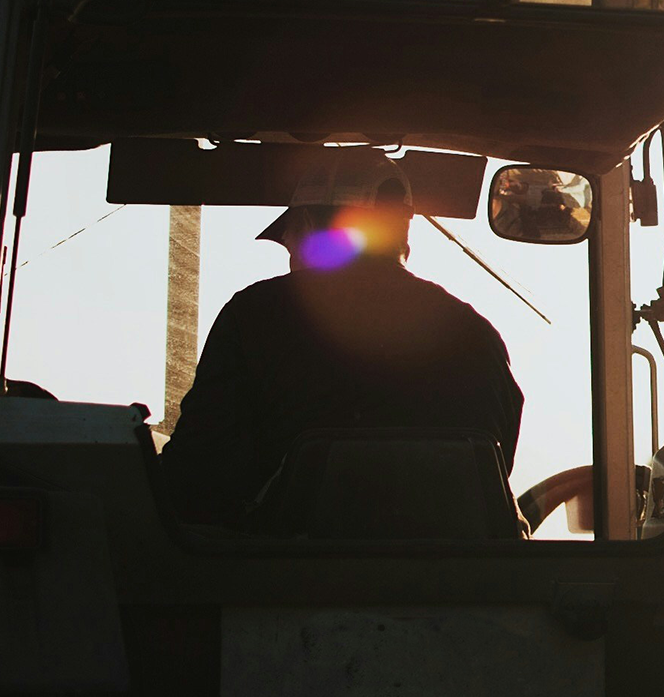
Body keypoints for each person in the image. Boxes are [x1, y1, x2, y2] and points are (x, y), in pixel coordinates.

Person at [158, 149, 523, 530]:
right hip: (456, 580)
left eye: (289, 238)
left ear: (307, 223)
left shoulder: (254, 316)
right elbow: (493, 473)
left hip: (282, 578)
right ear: (404, 232)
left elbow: (198, 474)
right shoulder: (475, 332)